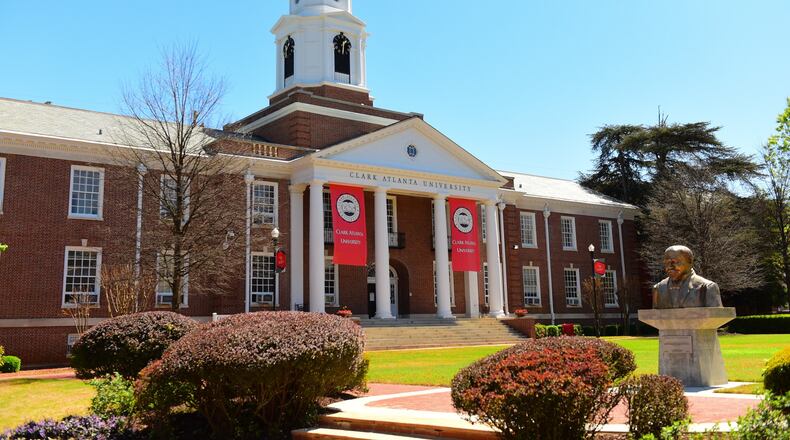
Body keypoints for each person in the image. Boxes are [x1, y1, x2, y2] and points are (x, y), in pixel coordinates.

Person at [652, 245, 723, 309]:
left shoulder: (706, 287)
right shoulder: (659, 288)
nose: (670, 266)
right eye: (667, 263)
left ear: (690, 262)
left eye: (675, 262)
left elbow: (718, 318)